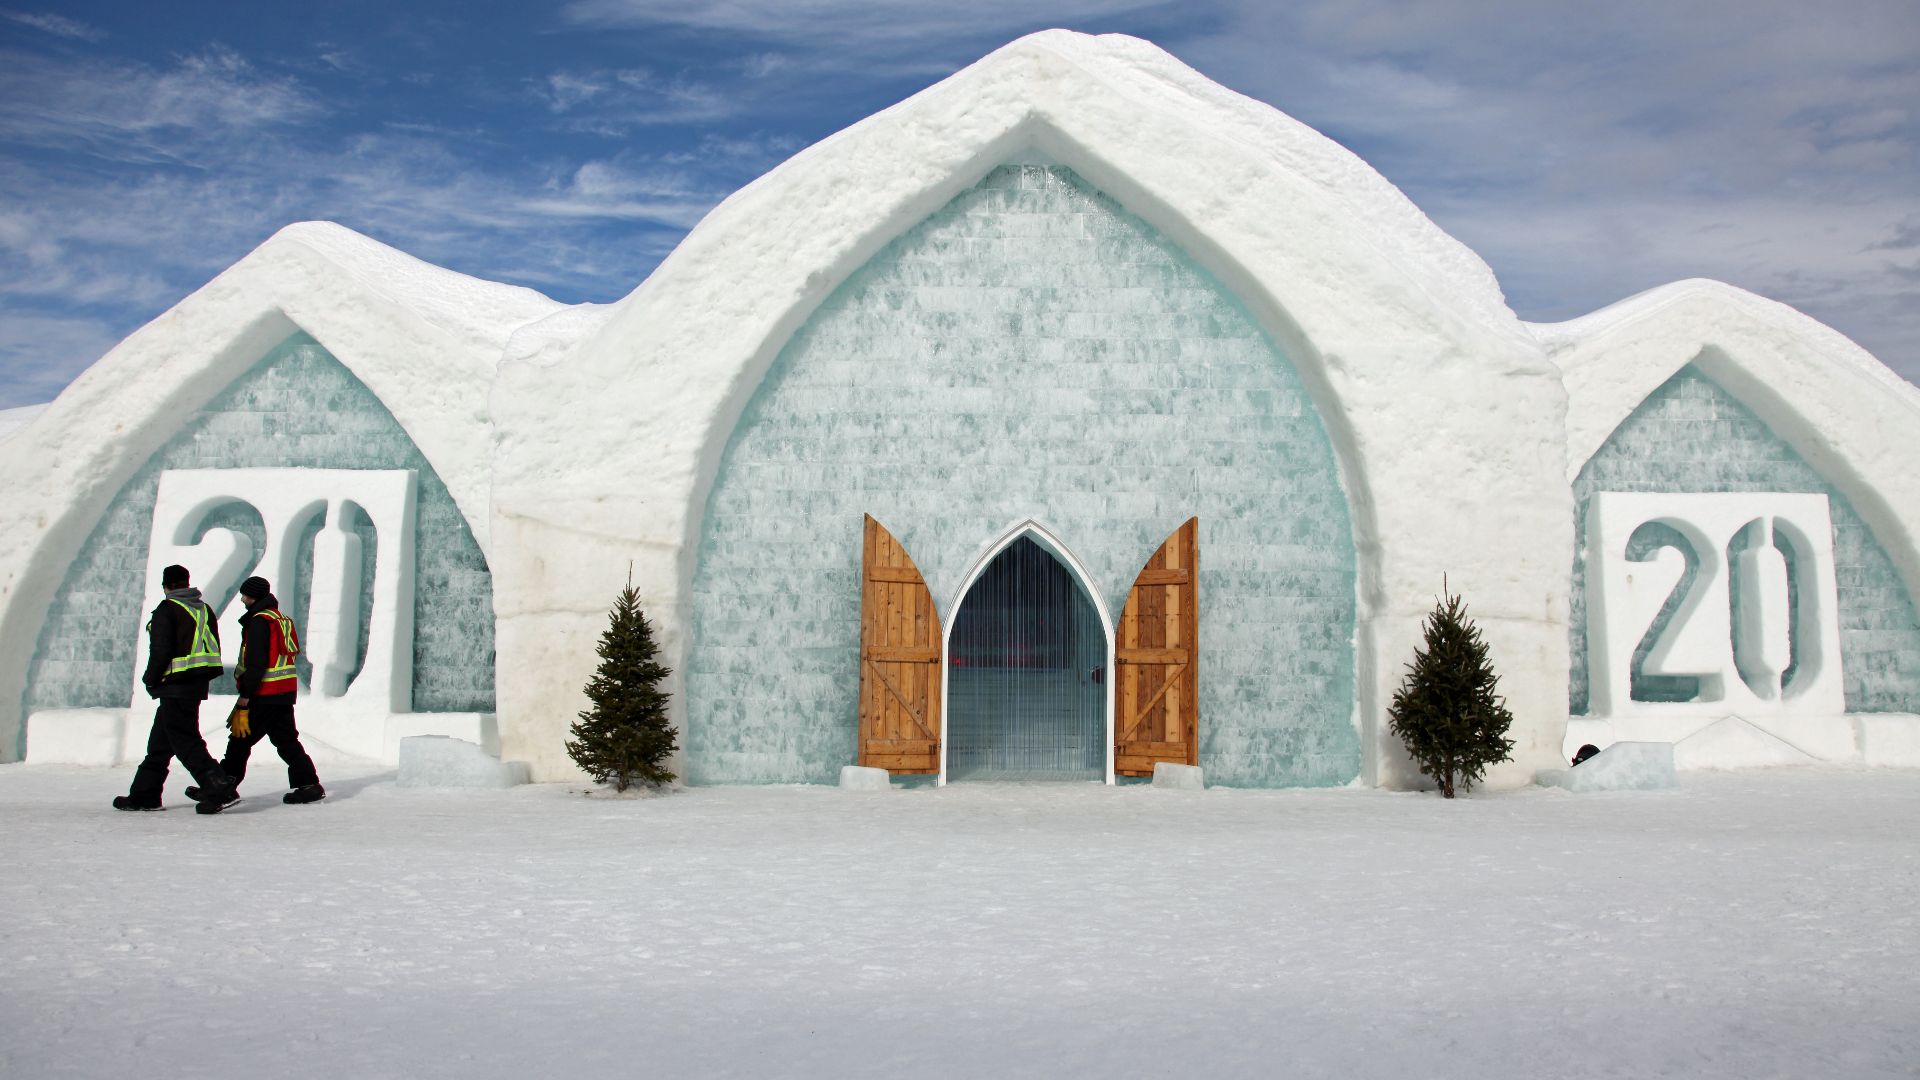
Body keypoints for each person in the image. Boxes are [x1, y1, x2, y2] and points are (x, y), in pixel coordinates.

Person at [114, 564, 240, 814]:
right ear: (186, 583)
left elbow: (161, 650)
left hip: (174, 685)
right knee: (160, 745)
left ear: (167, 586)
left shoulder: (168, 609)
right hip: (195, 684)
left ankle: (218, 785)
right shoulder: (203, 609)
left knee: (185, 740)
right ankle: (144, 795)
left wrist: (150, 678)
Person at [191, 576, 325, 805]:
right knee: (286, 741)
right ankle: (310, 785)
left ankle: (223, 789)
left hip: (264, 693)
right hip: (283, 692)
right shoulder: (281, 619)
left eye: (244, 595)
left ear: (253, 596)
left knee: (239, 741)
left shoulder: (259, 621)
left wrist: (245, 696)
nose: (242, 598)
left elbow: (257, 663)